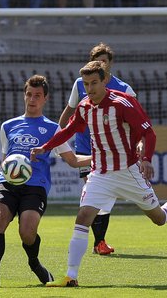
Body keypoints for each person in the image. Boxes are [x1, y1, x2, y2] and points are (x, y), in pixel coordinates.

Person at [32, 61, 167, 287]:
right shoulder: (85, 106)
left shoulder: (122, 103)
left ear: (104, 80)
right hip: (100, 174)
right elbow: (69, 130)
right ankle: (70, 276)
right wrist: (45, 147)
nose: (90, 88)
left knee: (159, 218)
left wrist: (146, 159)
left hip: (128, 172)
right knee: (83, 217)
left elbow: (149, 134)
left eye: (94, 83)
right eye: (85, 84)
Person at [0, 75, 92, 288]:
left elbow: (73, 160)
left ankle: (34, 263)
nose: (32, 99)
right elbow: (6, 160)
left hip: (35, 186)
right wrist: (8, 173)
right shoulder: (8, 126)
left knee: (27, 232)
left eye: (37, 95)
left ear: (45, 98)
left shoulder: (53, 129)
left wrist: (101, 156)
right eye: (29, 94)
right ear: (24, 95)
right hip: (8, 184)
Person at [58, 43, 135, 256]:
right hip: (85, 147)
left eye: (105, 61)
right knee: (95, 195)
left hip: (113, 151)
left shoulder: (125, 89)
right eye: (97, 60)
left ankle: (98, 241)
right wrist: (57, 133)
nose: (101, 64)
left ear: (110, 64)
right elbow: (69, 111)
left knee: (104, 197)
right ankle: (99, 242)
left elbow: (135, 121)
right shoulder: (80, 84)